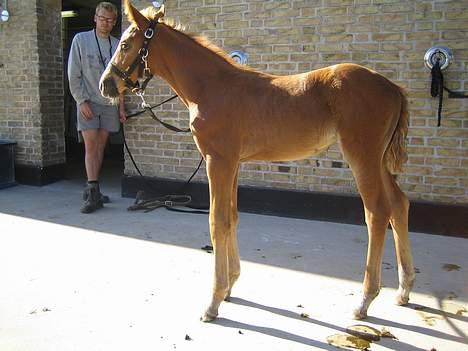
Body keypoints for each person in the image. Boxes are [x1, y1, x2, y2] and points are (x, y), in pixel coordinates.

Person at [68, 2, 126, 214]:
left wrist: (121, 107)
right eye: (102, 18)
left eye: (110, 20)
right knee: (90, 147)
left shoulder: (117, 43)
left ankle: (94, 187)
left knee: (101, 147)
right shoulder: (81, 40)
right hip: (89, 102)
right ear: (95, 17)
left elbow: (120, 80)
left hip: (109, 103)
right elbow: (73, 74)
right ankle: (92, 193)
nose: (106, 23)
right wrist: (81, 101)